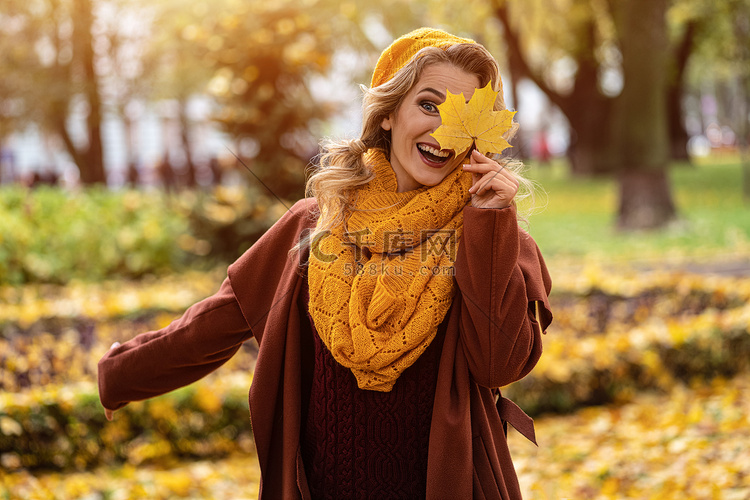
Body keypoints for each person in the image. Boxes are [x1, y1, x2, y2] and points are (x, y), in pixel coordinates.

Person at [98, 27, 553, 499]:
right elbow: (217, 320)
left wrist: (490, 225)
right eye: (428, 105)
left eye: (463, 115)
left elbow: (500, 364)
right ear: (390, 113)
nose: (442, 131)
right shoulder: (315, 226)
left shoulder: (494, 235)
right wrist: (120, 373)